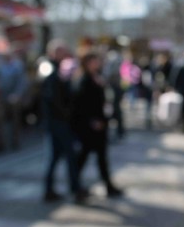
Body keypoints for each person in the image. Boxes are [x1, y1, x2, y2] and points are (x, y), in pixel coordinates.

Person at [42, 40, 87, 203]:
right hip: (58, 122)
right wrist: (67, 114)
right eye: (61, 51)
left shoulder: (60, 70)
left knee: (56, 156)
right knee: (69, 155)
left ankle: (49, 189)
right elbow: (53, 99)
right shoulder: (49, 70)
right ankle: (75, 189)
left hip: (59, 121)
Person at [73, 53, 123, 198]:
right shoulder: (84, 80)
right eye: (94, 61)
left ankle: (108, 185)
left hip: (101, 124)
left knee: (101, 157)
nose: (97, 63)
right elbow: (81, 104)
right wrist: (92, 120)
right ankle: (76, 186)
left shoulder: (98, 77)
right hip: (90, 126)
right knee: (83, 157)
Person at [0, 51, 27, 151]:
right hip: (2, 98)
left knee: (15, 119)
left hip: (14, 97)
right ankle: (0, 142)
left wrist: (17, 95)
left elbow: (22, 82)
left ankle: (15, 140)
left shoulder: (17, 66)